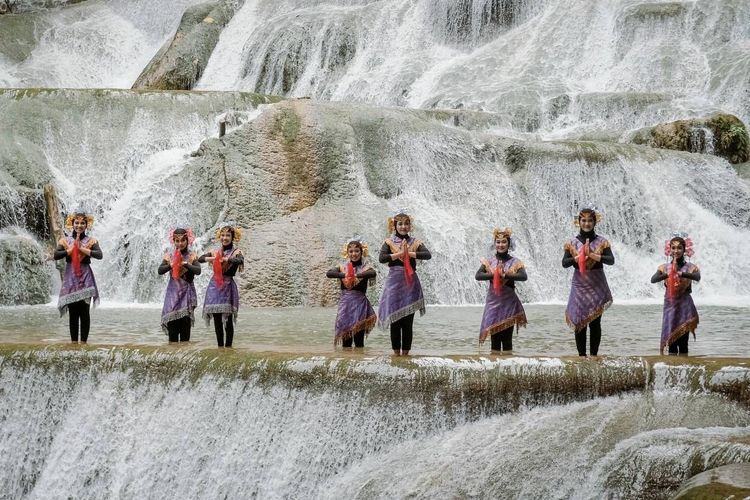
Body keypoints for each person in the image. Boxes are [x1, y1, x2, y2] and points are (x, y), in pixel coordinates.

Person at [562, 205, 614, 357]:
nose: (586, 224)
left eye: (590, 221)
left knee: (595, 323)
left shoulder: (602, 242)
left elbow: (611, 260)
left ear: (595, 222)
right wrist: (578, 258)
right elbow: (565, 263)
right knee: (579, 323)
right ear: (578, 222)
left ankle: (594, 356)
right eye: (583, 220)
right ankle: (581, 357)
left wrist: (592, 255)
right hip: (579, 286)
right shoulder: (571, 243)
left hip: (597, 284)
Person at [378, 211, 431, 356]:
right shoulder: (388, 242)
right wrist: (399, 254)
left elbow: (427, 255)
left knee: (408, 323)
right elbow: (381, 258)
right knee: (395, 321)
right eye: (400, 224)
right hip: (394, 283)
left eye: (406, 223)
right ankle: (396, 355)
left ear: (409, 226)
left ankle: (406, 355)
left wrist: (410, 253)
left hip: (410, 283)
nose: (403, 226)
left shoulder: (415, 242)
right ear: (394, 226)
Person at [475, 227, 527, 353]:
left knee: (507, 339)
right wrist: (494, 275)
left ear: (509, 244)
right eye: (498, 242)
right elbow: (478, 275)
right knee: (495, 341)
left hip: (509, 305)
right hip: (493, 305)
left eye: (504, 242)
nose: (501, 244)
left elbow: (523, 276)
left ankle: (508, 368)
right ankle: (495, 366)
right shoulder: (488, 262)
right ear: (494, 244)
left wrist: (506, 275)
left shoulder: (515, 262)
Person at [54, 209, 102, 343]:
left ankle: (84, 343)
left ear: (86, 225)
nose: (79, 226)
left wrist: (82, 249)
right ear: (72, 224)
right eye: (76, 223)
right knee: (73, 314)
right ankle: (74, 343)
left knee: (84, 313)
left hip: (85, 279)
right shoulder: (65, 241)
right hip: (70, 280)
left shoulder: (91, 241)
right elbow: (56, 255)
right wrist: (70, 250)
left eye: (82, 223)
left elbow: (99, 255)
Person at [651, 233, 700, 355]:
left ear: (684, 250)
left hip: (685, 306)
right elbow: (653, 279)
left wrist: (682, 274)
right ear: (669, 250)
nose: (676, 251)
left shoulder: (691, 267)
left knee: (683, 343)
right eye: (673, 248)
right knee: (672, 342)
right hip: (670, 307)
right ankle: (672, 369)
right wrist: (669, 274)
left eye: (679, 248)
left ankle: (684, 368)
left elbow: (697, 277)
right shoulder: (664, 267)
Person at [198, 224, 244, 348]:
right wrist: (213, 258)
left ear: (233, 237)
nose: (225, 238)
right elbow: (200, 259)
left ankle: (228, 348)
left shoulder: (236, 252)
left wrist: (226, 260)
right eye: (222, 235)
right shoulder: (215, 252)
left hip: (228, 287)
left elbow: (239, 260)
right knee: (217, 320)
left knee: (228, 320)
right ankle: (220, 348)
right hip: (214, 288)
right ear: (219, 237)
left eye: (228, 235)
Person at [326, 239, 377, 348]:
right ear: (347, 253)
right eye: (351, 251)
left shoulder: (365, 268)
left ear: (361, 252)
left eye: (357, 251)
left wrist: (356, 276)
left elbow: (373, 273)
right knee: (346, 342)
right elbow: (329, 273)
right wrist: (345, 275)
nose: (354, 254)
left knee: (359, 342)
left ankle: (359, 363)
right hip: (345, 307)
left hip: (360, 306)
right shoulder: (342, 268)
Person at [158, 227, 201, 343]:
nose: (180, 243)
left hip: (186, 298)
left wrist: (186, 264)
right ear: (174, 241)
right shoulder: (169, 256)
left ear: (187, 241)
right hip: (172, 298)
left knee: (185, 336)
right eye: (177, 241)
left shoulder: (192, 256)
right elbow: (160, 270)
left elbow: (198, 270)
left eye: (183, 240)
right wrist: (171, 265)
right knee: (172, 337)